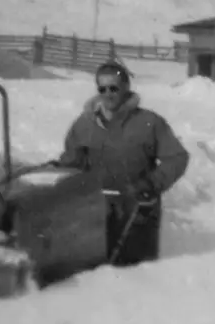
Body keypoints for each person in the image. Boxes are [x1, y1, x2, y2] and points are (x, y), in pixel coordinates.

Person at [53, 61, 190, 267]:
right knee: (94, 277)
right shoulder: (85, 124)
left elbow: (177, 157)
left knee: (135, 277)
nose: (108, 93)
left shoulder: (148, 122)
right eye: (103, 89)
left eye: (114, 88)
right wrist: (59, 167)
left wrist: (150, 184)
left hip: (138, 210)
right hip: (97, 210)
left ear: (126, 88)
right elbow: (74, 160)